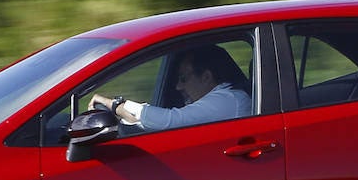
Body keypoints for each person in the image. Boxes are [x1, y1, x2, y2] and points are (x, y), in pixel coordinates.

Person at [92, 44, 253, 131]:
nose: (178, 86)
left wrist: (113, 104)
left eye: (183, 78)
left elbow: (170, 120)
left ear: (206, 77)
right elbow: (151, 123)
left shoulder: (228, 99)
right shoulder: (225, 100)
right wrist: (123, 114)